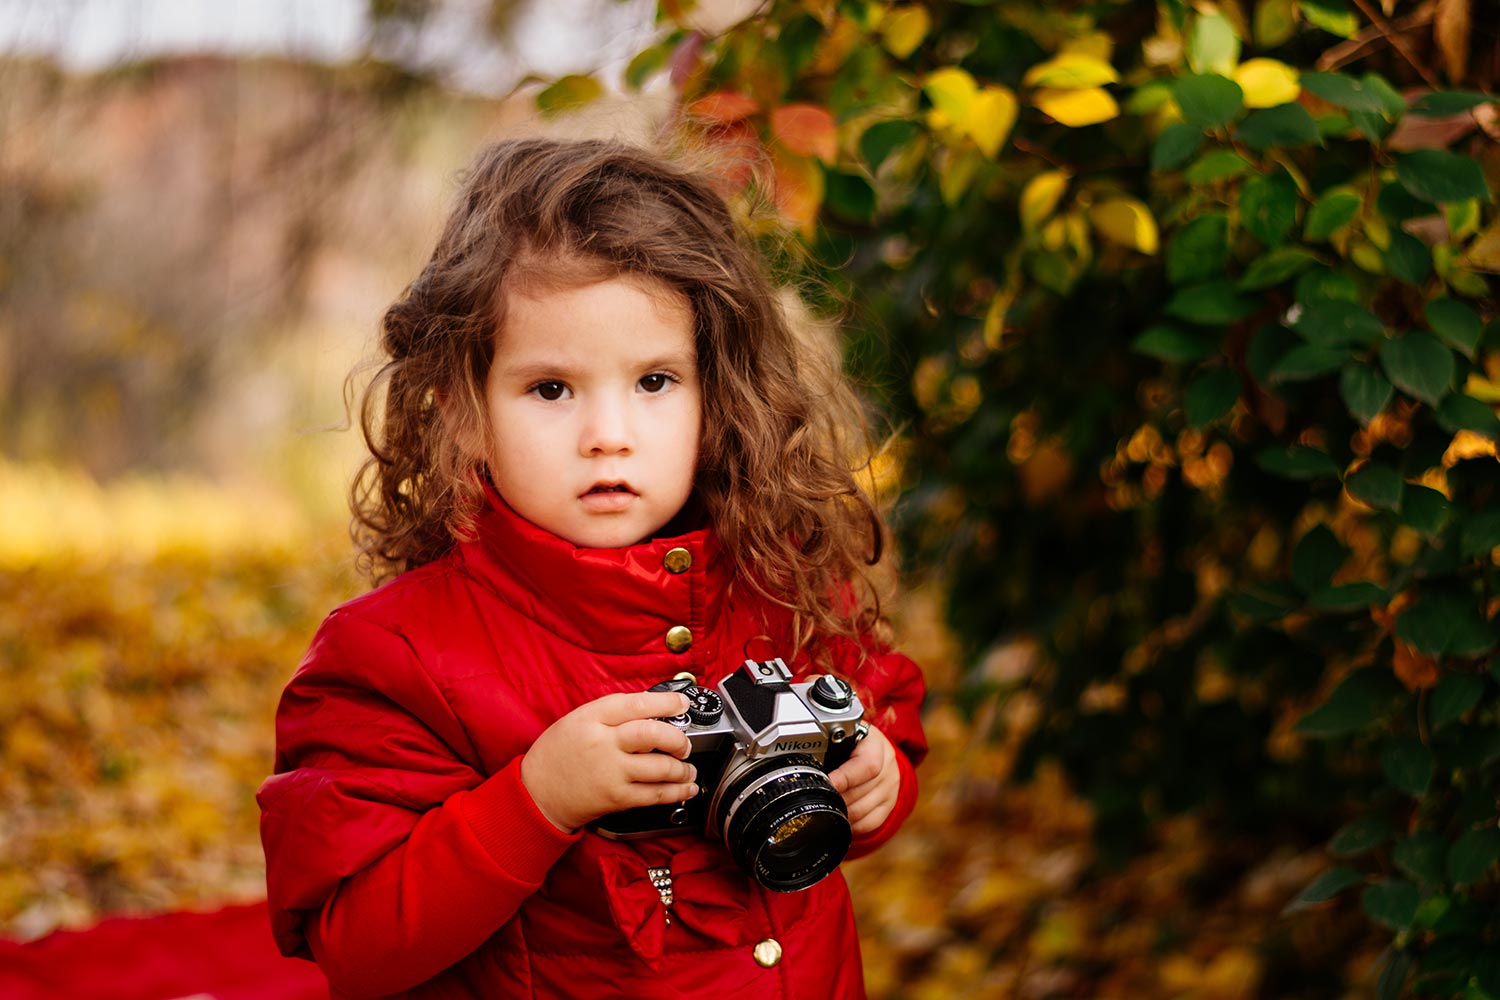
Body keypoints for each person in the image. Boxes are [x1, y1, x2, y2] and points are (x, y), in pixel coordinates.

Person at [257, 137, 927, 1000]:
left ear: (718, 393)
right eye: (551, 389)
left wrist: (880, 780)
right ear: (464, 411)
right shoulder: (393, 659)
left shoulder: (781, 583)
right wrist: (535, 800)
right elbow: (356, 941)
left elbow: (887, 718)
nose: (608, 433)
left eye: (653, 381)